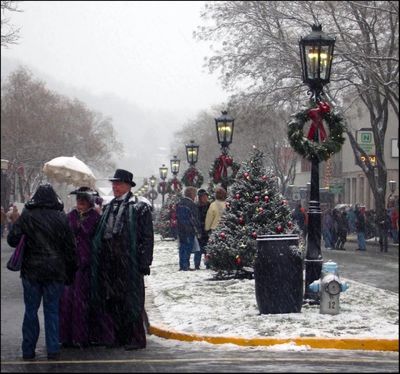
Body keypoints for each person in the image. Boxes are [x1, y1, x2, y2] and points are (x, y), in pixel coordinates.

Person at [7, 183, 77, 361]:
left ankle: (28, 350)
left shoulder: (28, 216)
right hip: (55, 270)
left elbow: (12, 240)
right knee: (52, 310)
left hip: (31, 270)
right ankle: (53, 349)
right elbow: (70, 247)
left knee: (30, 310)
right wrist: (70, 271)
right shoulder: (61, 218)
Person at [90, 169, 154, 350]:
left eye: (118, 184)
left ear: (128, 185)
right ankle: (118, 336)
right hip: (111, 262)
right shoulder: (109, 207)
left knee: (132, 300)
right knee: (114, 299)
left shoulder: (139, 207)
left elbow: (147, 237)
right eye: (113, 184)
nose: (115, 187)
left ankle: (134, 338)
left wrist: (144, 261)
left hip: (129, 260)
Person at [59, 187, 101, 348]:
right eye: (78, 202)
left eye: (83, 202)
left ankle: (84, 335)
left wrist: (81, 227)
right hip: (71, 263)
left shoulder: (95, 217)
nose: (80, 205)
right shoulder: (70, 216)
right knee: (67, 301)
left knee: (83, 301)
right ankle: (67, 336)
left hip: (87, 264)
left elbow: (90, 234)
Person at [176, 186, 201, 271]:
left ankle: (182, 265)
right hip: (189, 229)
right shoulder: (191, 204)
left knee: (182, 247)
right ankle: (185, 265)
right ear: (192, 194)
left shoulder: (180, 203)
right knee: (187, 248)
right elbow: (194, 218)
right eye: (195, 194)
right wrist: (197, 229)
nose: (195, 196)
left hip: (181, 229)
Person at [197, 189, 211, 269]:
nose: (205, 198)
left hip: (208, 229)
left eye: (206, 196)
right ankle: (197, 264)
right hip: (200, 230)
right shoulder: (197, 206)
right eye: (203, 197)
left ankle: (208, 264)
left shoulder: (210, 205)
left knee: (208, 249)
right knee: (199, 249)